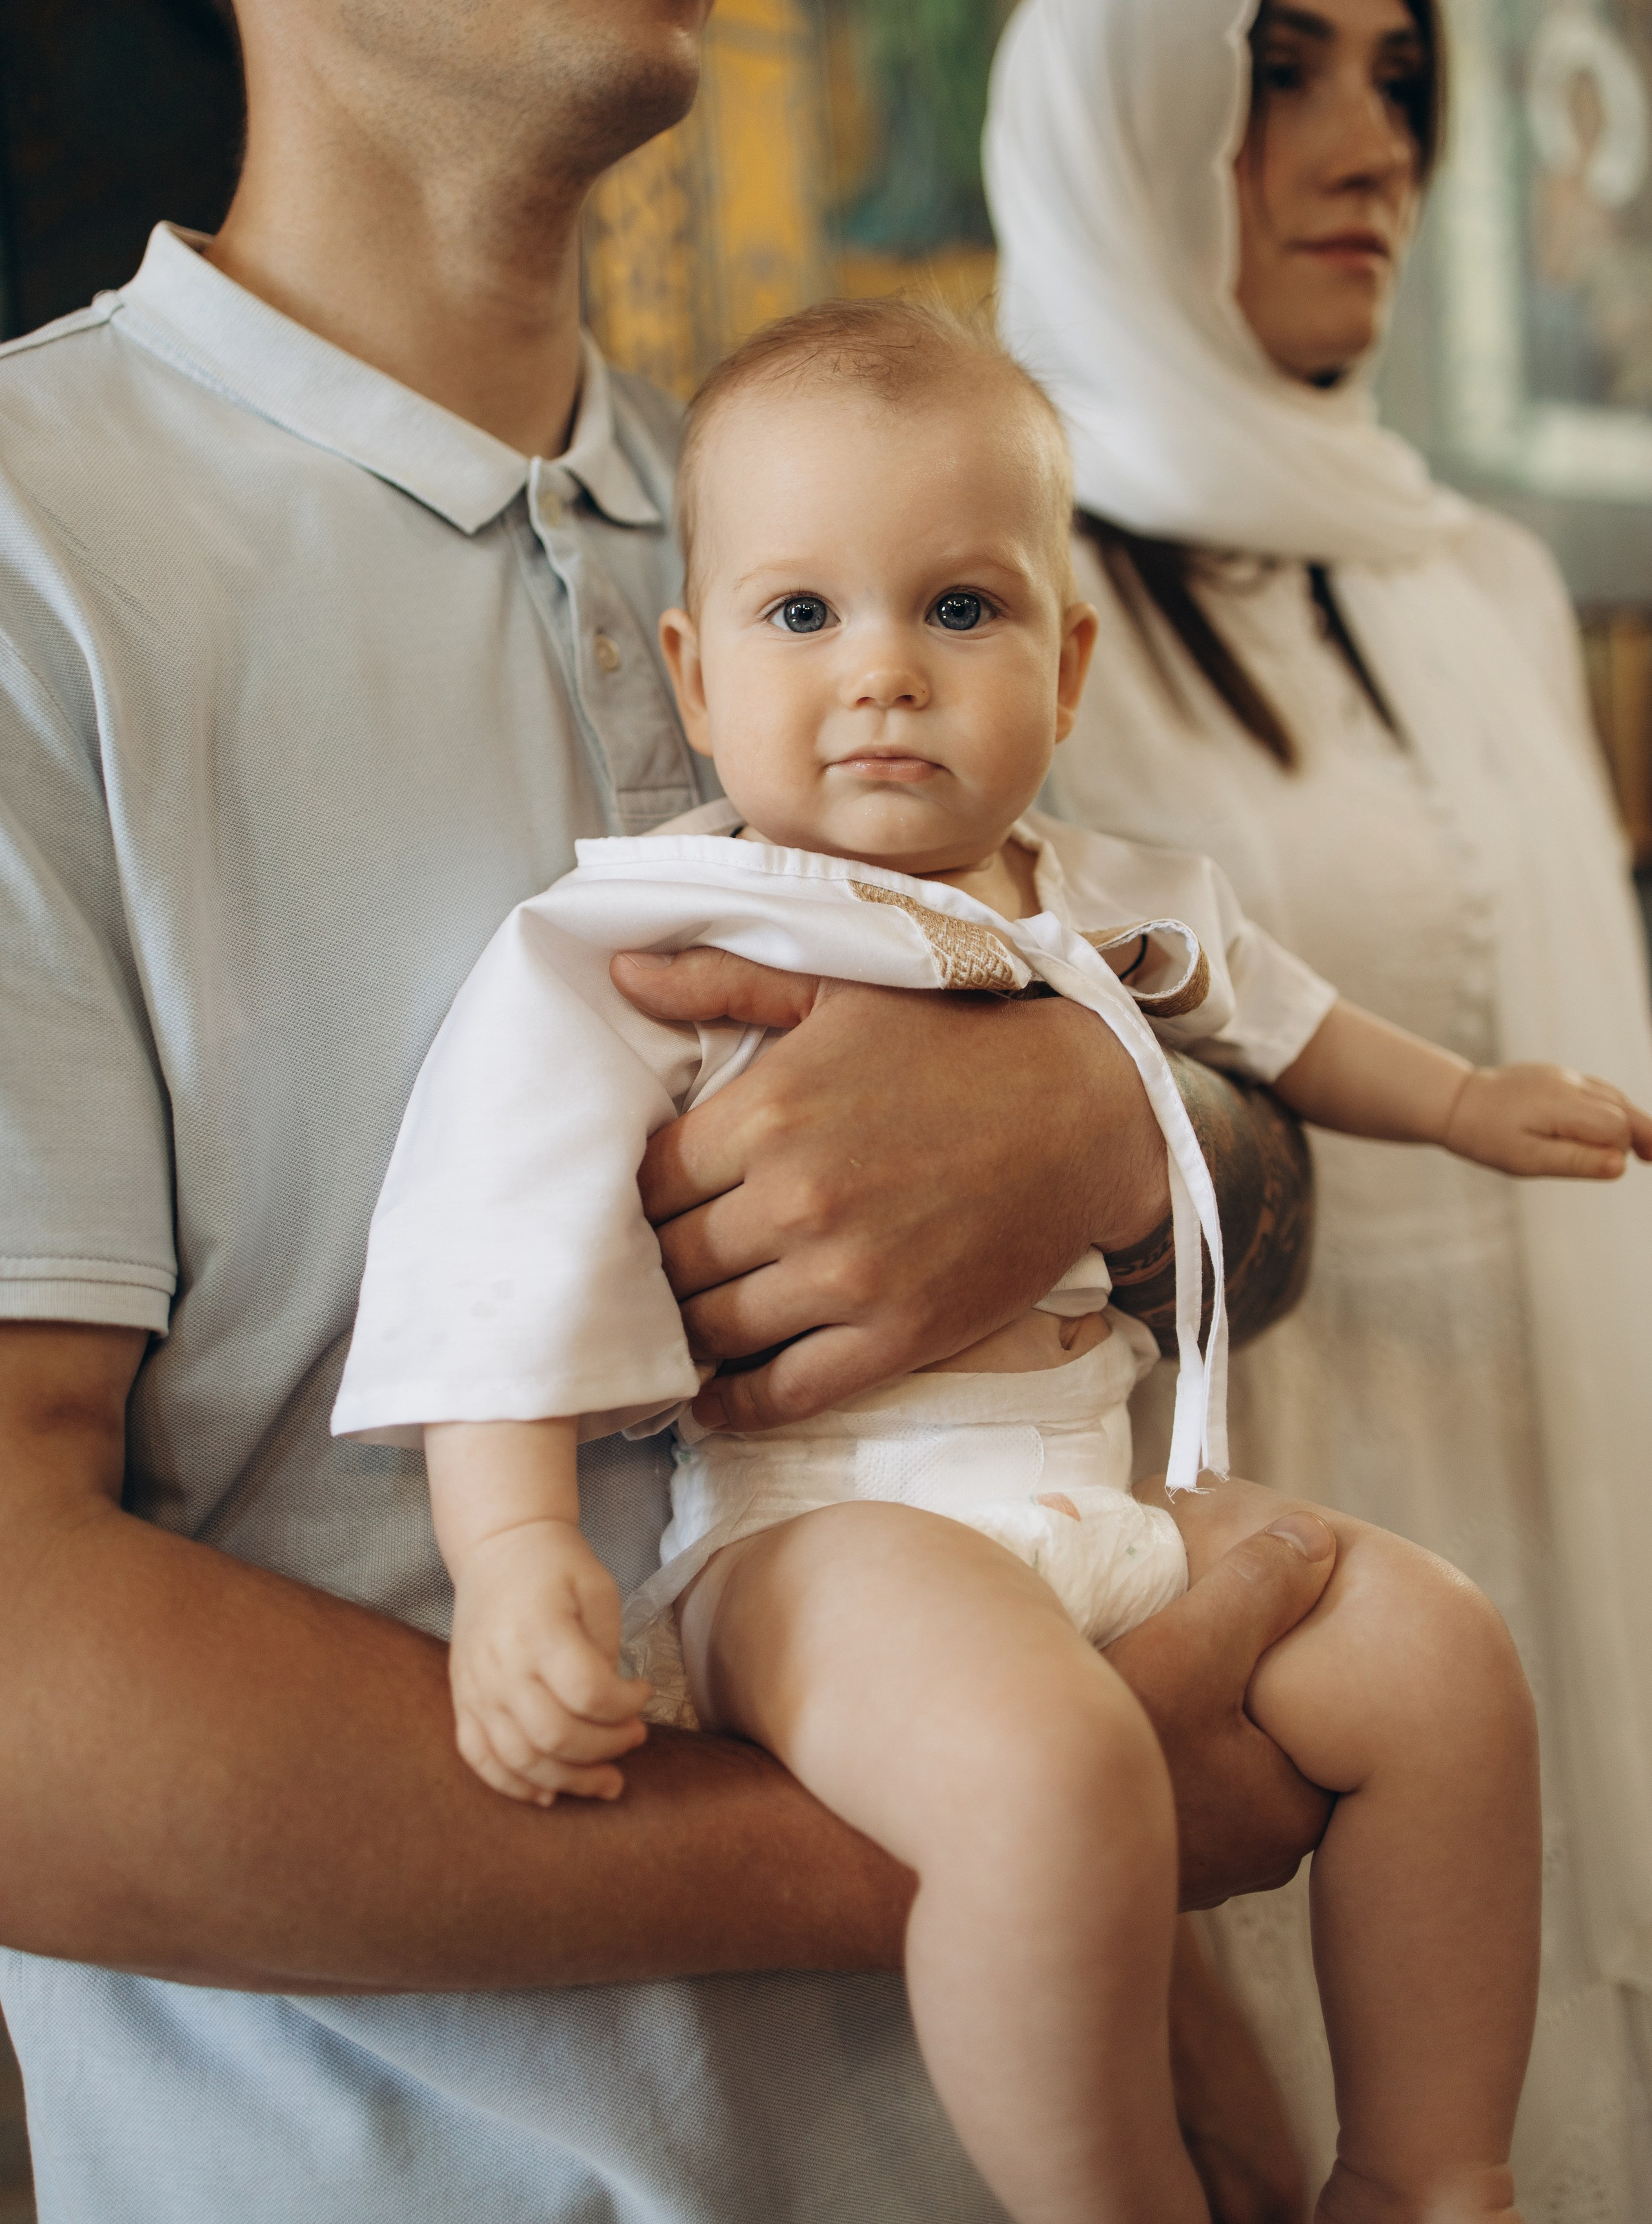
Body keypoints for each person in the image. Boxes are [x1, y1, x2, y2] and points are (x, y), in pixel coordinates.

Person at [0, 0, 1336, 2221]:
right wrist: (1044, 1822)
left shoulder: (848, 523)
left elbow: (1250, 1154)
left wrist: (1109, 1117)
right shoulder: (33, 567)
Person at [330, 289, 1652, 2219]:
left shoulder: (1101, 900)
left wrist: (1458, 1103)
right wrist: (515, 1553)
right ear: (695, 679)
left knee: (1439, 1657)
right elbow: (493, 1231)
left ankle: (1433, 2171)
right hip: (821, 1540)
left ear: (1068, 658)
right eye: (807, 616)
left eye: (960, 610)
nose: (884, 675)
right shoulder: (654, 924)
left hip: (1088, 1506)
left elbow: (1281, 1025)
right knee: (1050, 1775)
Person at [985, 0, 1652, 2211]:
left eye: (1397, 78)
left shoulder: (1460, 572)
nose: (1374, 143)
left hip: (1576, 1497)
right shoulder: (998, 602)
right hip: (1269, 1551)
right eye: (1281, 71)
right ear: (1124, 112)